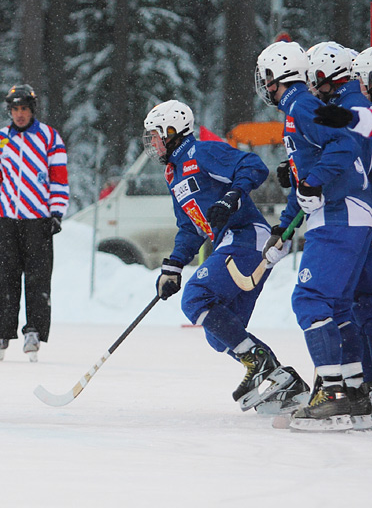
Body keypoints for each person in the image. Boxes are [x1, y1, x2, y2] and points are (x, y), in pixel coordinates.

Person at [143, 100, 308, 415]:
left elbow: (253, 166)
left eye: (155, 135)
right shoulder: (172, 174)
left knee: (195, 297)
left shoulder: (201, 152)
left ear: (172, 131)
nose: (153, 143)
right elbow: (190, 228)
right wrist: (173, 267)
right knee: (220, 335)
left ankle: (259, 361)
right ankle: (281, 381)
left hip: (248, 237)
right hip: (230, 243)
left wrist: (232, 196)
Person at [256, 40, 372, 430]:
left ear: (274, 77)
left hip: (340, 214)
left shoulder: (300, 104)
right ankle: (354, 390)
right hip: (342, 214)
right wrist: (285, 226)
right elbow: (308, 173)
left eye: (264, 77)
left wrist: (314, 183)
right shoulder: (300, 106)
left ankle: (333, 393)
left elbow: (343, 144)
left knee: (309, 300)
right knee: (338, 305)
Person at [0, 84, 68, 362]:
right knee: (5, 278)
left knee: (38, 278)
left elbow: (59, 178)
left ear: (32, 110)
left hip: (38, 219)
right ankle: (2, 333)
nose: (20, 114)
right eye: (15, 109)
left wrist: (56, 213)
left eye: (24, 109)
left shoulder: (49, 137)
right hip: (7, 217)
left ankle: (34, 331)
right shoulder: (0, 140)